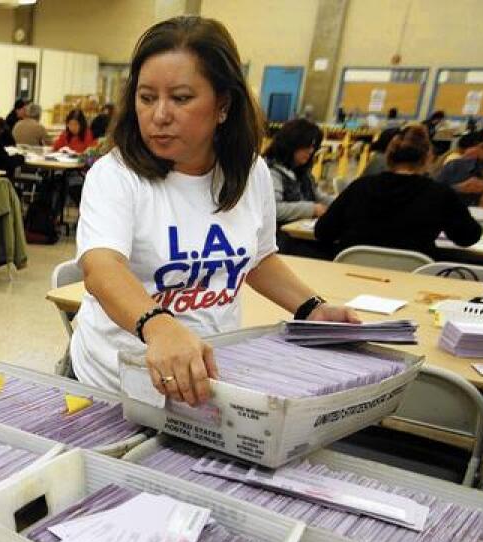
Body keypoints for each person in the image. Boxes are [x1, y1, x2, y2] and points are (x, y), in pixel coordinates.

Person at [71, 15, 358, 399]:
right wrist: (160, 326)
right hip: (113, 385)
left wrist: (312, 308)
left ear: (223, 104)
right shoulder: (116, 175)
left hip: (205, 381)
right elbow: (102, 268)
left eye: (181, 98)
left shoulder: (249, 172)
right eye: (147, 98)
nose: (159, 115)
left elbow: (258, 258)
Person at [315, 124, 481, 259]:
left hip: (352, 273)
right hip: (414, 276)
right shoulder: (440, 194)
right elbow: (468, 237)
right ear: (427, 158)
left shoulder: (360, 187)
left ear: (388, 157)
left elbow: (323, 231)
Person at [264, 118, 329, 222]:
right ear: (292, 144)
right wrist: (312, 209)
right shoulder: (271, 170)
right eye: (307, 146)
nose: (311, 151)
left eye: (313, 146)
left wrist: (342, 203)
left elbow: (318, 196)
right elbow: (274, 208)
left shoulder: (302, 172)